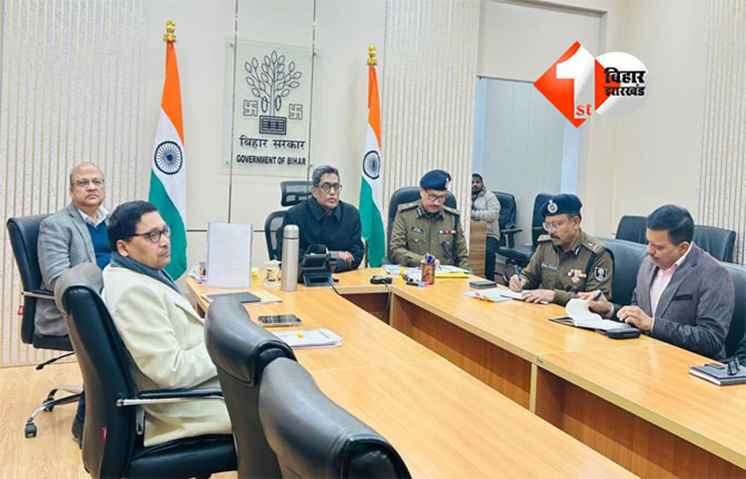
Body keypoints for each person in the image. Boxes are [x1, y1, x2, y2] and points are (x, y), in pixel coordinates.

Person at [103, 201, 230, 446]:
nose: (164, 242)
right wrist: (226, 347)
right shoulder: (133, 293)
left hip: (199, 388)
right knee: (285, 411)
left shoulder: (138, 272)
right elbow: (171, 371)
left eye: (164, 231)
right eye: (152, 235)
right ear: (123, 247)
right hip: (185, 406)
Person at [581, 205, 734, 360]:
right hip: (647, 355)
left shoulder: (714, 274)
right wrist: (609, 309)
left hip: (688, 364)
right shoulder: (648, 263)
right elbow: (638, 315)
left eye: (658, 247)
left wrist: (653, 325)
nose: (649, 251)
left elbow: (711, 339)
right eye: (648, 242)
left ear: (683, 248)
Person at [37, 162, 111, 446]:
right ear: (71, 190)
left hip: (114, 299)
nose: (91, 187)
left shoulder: (114, 221)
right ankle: (86, 422)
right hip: (74, 310)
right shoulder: (56, 225)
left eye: (97, 182)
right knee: (124, 337)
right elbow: (57, 279)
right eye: (83, 182)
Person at [508, 193, 612, 305]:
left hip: (573, 314)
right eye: (547, 225)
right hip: (543, 310)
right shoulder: (546, 245)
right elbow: (530, 275)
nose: (551, 231)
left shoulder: (597, 254)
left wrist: (555, 296)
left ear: (575, 222)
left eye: (557, 224)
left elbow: (596, 300)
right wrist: (521, 281)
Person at [279, 165, 364, 272]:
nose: (332, 192)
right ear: (314, 191)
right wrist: (334, 255)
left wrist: (330, 265)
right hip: (305, 277)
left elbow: (357, 254)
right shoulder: (295, 215)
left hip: (342, 276)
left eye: (336, 186)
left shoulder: (351, 214)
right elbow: (288, 254)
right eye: (326, 187)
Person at [389, 169, 470, 269]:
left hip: (446, 276)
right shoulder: (405, 214)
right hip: (414, 273)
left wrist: (468, 276)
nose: (436, 203)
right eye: (432, 196)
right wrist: (423, 261)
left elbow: (462, 256)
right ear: (422, 192)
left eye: (441, 197)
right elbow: (396, 250)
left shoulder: (452, 218)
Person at [471, 173, 501, 280]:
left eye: (477, 182)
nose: (475, 184)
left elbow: (493, 215)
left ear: (482, 183)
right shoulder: (466, 196)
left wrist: (473, 214)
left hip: (489, 234)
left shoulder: (490, 196)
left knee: (488, 253)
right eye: (472, 182)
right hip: (472, 233)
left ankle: (489, 280)